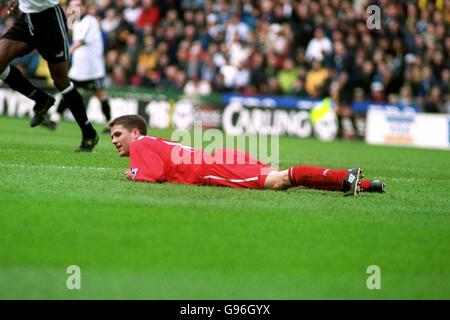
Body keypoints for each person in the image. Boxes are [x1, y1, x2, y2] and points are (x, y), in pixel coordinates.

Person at [109, 115, 386, 195]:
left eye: (117, 134)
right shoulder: (152, 142)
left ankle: (345, 175)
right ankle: (358, 183)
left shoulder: (142, 143)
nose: (114, 141)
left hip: (213, 167)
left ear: (135, 133)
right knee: (283, 181)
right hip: (220, 158)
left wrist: (134, 174)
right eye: (112, 137)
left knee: (279, 180)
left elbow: (154, 176)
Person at [0, 0, 98, 151]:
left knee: (60, 81)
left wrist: (71, 21)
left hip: (50, 21)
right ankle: (41, 99)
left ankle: (89, 133)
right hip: (28, 19)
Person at [51, 0, 112, 133]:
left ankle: (110, 124)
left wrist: (67, 51)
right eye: (73, 6)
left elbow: (81, 41)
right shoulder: (77, 22)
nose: (75, 8)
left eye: (78, 6)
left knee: (101, 95)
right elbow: (66, 31)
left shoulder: (90, 21)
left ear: (84, 7)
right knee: (67, 92)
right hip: (78, 69)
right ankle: (54, 119)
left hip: (93, 69)